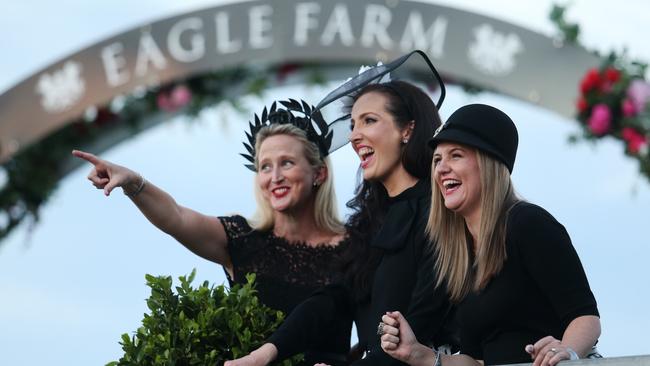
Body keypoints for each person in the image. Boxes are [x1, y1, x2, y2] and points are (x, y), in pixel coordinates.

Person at [72, 101, 352, 365]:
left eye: (287, 163)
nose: (274, 176)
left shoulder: (355, 247)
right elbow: (176, 217)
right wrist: (134, 183)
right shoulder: (242, 238)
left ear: (319, 173)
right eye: (265, 166)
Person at [225, 79, 457, 366]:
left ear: (407, 129)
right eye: (352, 125)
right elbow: (334, 298)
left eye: (368, 121)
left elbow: (420, 328)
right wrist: (263, 354)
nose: (353, 136)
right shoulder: (370, 223)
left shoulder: (440, 213)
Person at [379, 104, 601, 366]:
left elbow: (586, 318)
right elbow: (477, 361)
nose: (441, 169)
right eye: (437, 160)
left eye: (456, 155)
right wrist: (417, 353)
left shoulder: (528, 224)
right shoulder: (460, 252)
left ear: (488, 163)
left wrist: (566, 351)